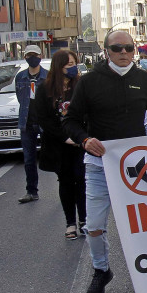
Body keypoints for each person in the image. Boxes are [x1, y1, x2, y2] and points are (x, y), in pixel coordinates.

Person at [63, 30, 147, 293]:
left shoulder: (142, 79)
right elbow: (71, 121)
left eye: (128, 48)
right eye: (117, 48)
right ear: (106, 51)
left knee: (144, 224)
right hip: (99, 164)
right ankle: (101, 269)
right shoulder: (89, 82)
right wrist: (84, 139)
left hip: (137, 168)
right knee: (95, 225)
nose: (123, 53)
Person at [34, 49, 86, 240]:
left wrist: (80, 137)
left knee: (81, 180)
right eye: (69, 65)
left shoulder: (81, 85)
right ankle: (70, 222)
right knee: (66, 183)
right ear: (59, 67)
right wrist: (64, 137)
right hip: (58, 144)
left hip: (80, 143)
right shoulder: (45, 89)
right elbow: (44, 118)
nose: (73, 68)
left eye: (74, 64)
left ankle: (84, 220)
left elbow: (87, 112)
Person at [16, 44, 48, 204]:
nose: (32, 58)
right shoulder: (20, 77)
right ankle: (31, 191)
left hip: (45, 123)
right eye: (29, 55)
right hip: (27, 123)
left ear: (40, 56)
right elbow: (20, 98)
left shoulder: (47, 76)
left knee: (52, 156)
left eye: (35, 55)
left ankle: (63, 186)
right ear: (25, 58)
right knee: (29, 159)